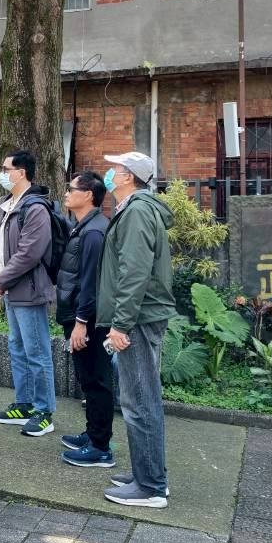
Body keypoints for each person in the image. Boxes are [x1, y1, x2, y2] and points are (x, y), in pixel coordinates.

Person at [96, 151, 177, 509]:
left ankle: (151, 487)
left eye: (114, 169)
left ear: (128, 177)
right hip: (142, 316)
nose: (109, 174)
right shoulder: (136, 209)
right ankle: (148, 474)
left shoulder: (137, 211)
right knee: (140, 398)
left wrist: (120, 324)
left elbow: (134, 272)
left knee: (139, 400)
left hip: (139, 318)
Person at [0, 151, 57, 437]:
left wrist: (1, 279)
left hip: (28, 290)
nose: (2, 173)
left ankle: (44, 411)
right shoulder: (8, 205)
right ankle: (24, 404)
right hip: (10, 289)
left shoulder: (35, 208)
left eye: (6, 169)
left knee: (36, 351)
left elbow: (30, 253)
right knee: (17, 347)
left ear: (22, 172)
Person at [55, 171, 115, 468]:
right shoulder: (84, 226)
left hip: (89, 319)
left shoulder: (94, 232)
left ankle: (100, 447)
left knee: (96, 379)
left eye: (72, 189)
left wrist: (81, 322)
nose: (67, 193)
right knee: (88, 379)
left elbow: (91, 281)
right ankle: (92, 435)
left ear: (89, 195)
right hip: (80, 314)